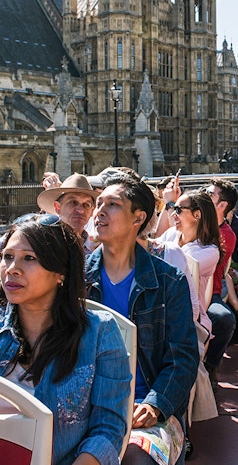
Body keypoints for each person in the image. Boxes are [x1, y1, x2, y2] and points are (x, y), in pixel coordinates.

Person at [85, 174, 199, 465]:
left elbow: (182, 357)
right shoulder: (77, 279)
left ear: (138, 218)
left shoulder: (168, 281)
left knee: (137, 460)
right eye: (98, 203)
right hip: (86, 403)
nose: (99, 211)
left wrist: (156, 404)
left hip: (144, 405)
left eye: (112, 205)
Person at [0, 216, 131, 464]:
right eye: (7, 256)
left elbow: (108, 427)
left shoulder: (99, 334)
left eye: (29, 258)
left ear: (60, 273)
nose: (12, 268)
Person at [156, 189, 221, 338]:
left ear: (197, 214)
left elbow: (170, 270)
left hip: (189, 320)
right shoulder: (171, 234)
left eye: (178, 209)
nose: (173, 214)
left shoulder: (209, 252)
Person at [203, 178, 238, 390]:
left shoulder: (226, 235)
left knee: (224, 319)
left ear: (222, 206)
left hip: (208, 291)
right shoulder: (188, 219)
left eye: (209, 194)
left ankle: (210, 367)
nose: (203, 194)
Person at [37, 173, 99, 254]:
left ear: (92, 211)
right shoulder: (43, 246)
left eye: (86, 205)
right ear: (57, 207)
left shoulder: (99, 251)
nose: (80, 210)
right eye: (73, 203)